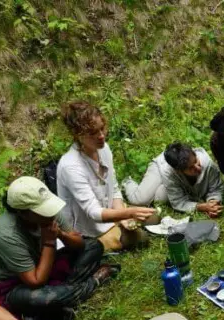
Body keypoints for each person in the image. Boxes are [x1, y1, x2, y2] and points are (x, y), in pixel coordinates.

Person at [0, 177, 116, 320]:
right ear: (22, 213)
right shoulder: (5, 234)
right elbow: (35, 281)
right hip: (17, 284)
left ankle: (60, 300)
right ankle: (93, 281)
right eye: (42, 210)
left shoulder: (49, 214)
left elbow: (79, 244)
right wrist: (49, 242)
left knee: (93, 246)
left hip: (46, 264)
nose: (50, 213)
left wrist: (60, 234)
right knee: (43, 298)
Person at [56, 101, 155, 252]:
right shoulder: (70, 166)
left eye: (102, 128)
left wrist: (123, 217)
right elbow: (93, 212)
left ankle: (119, 228)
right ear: (78, 135)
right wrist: (127, 213)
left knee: (154, 217)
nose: (101, 136)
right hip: (87, 229)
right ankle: (100, 243)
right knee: (140, 238)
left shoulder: (104, 149)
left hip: (111, 213)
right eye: (93, 133)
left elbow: (113, 188)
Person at [122, 143, 224, 218]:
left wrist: (213, 202)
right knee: (140, 200)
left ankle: (158, 188)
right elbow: (179, 202)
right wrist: (201, 207)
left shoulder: (208, 164)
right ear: (178, 171)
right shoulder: (169, 172)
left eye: (195, 161)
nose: (197, 168)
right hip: (160, 169)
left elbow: (216, 188)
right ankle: (128, 182)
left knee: (160, 197)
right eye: (191, 168)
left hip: (174, 180)